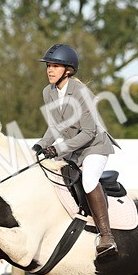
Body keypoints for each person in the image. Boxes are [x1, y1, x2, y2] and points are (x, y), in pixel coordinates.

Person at [31, 43, 120, 256]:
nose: (49, 70)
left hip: (95, 147)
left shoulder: (81, 92)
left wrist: (58, 148)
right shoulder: (48, 92)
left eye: (55, 66)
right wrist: (41, 145)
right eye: (48, 66)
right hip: (74, 149)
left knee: (89, 179)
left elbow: (88, 133)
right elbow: (55, 126)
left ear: (68, 70)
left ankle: (106, 235)